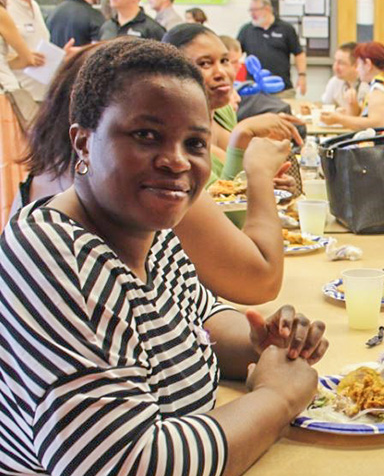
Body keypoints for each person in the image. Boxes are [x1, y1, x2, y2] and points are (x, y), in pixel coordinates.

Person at [0, 38, 384, 476]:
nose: (177, 160)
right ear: (83, 141)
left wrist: (266, 342)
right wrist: (278, 397)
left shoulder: (147, 230)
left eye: (194, 143)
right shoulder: (51, 257)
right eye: (146, 135)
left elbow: (204, 320)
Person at [18, 40, 289, 305]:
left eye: (224, 60)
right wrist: (260, 174)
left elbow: (196, 312)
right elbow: (259, 280)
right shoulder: (151, 197)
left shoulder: (46, 175)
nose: (176, 161)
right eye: (146, 135)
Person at [163, 23, 303, 184]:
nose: (221, 72)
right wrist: (242, 133)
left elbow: (244, 181)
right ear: (174, 73)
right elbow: (225, 201)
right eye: (205, 63)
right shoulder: (173, 141)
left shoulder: (223, 111)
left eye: (225, 60)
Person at [0, 0, 44, 223]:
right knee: (12, 166)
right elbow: (24, 57)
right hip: (5, 97)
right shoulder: (3, 15)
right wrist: (33, 58)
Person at [319, 40, 384, 130]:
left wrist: (339, 119)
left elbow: (377, 124)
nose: (357, 69)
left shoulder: (379, 89)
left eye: (359, 64)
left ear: (368, 65)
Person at [237, 0, 305, 97]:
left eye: (255, 10)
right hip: (255, 90)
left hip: (282, 89)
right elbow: (235, 54)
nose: (252, 14)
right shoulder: (246, 30)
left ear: (268, 9)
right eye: (250, 10)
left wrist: (302, 75)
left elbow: (298, 54)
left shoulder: (286, 28)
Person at [6, 0, 49, 101]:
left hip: (41, 97)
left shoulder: (35, 6)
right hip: (16, 98)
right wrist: (24, 58)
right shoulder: (5, 7)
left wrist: (61, 56)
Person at [320, 41, 369, 109]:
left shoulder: (367, 84)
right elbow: (325, 105)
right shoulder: (335, 81)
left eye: (341, 63)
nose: (335, 67)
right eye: (335, 61)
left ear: (356, 65)